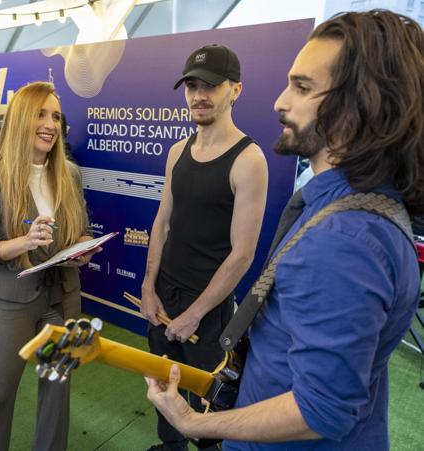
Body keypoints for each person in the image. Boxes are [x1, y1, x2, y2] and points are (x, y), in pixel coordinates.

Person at [145, 10, 423, 451]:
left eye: (303, 87)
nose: (280, 102)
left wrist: (194, 423)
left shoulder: (345, 240)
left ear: (361, 101)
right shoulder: (340, 208)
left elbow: (321, 409)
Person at [140, 44, 268, 451]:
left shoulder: (249, 160)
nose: (199, 94)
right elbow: (162, 223)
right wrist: (148, 286)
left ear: (236, 90)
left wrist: (195, 314)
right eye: (193, 85)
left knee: (206, 410)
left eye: (211, 85)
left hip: (208, 314)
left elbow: (242, 253)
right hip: (164, 298)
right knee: (163, 388)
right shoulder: (178, 151)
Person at [0, 81, 97, 451]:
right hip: (12, 300)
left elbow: (82, 230)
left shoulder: (70, 174)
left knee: (57, 391)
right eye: (41, 114)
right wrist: (24, 242)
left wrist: (84, 249)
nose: (50, 124)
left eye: (56, 116)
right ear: (23, 118)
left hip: (62, 299)